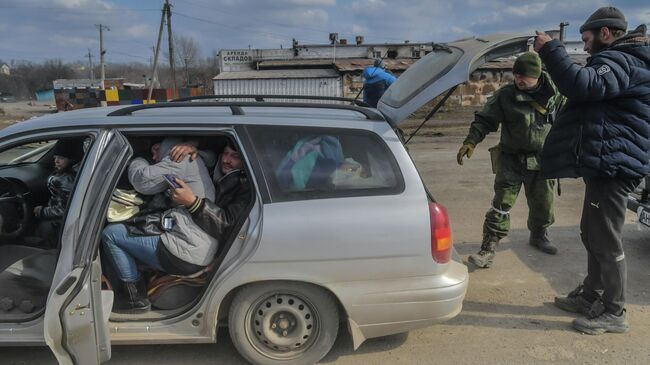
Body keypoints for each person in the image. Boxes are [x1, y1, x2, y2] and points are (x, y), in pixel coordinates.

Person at [534, 7, 650, 334]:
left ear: (606, 33)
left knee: (606, 240)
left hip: (614, 170)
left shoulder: (622, 61)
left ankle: (615, 312)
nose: (584, 47)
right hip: (604, 168)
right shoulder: (618, 60)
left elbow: (582, 85)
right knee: (591, 231)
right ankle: (591, 295)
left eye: (586, 39)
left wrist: (551, 50)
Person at [457, 52, 566, 269]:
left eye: (524, 77)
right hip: (511, 160)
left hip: (542, 161)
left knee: (543, 205)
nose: (519, 81)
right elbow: (485, 120)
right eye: (516, 76)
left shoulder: (556, 96)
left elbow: (573, 120)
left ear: (538, 76)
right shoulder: (506, 95)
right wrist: (471, 141)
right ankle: (488, 248)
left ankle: (538, 235)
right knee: (501, 204)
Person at [101, 137, 216, 311]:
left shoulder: (180, 158)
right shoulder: (195, 157)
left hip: (187, 250)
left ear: (173, 146)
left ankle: (135, 299)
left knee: (111, 234)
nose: (154, 156)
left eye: (156, 149)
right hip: (197, 243)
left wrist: (138, 158)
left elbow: (142, 181)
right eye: (151, 152)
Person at [33, 138, 84, 247]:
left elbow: (65, 209)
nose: (56, 161)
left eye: (61, 158)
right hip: (59, 219)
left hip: (58, 222)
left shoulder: (67, 179)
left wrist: (42, 211)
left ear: (72, 159)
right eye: (55, 157)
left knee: (42, 234)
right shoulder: (67, 174)